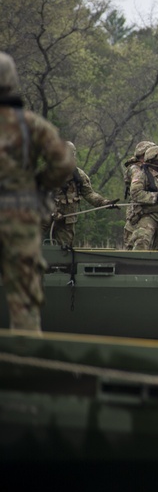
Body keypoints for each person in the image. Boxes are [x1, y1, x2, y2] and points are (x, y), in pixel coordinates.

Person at [0, 52, 76, 330]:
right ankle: (24, 365)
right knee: (24, 301)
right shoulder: (30, 124)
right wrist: (39, 184)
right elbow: (64, 162)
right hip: (19, 216)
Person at [45, 141, 117, 247]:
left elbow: (89, 194)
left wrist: (104, 202)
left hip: (66, 220)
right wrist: (54, 212)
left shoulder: (79, 176)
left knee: (64, 249)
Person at [123, 141, 155, 249]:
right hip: (136, 212)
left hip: (151, 212)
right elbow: (137, 191)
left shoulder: (153, 169)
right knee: (133, 243)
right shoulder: (135, 169)